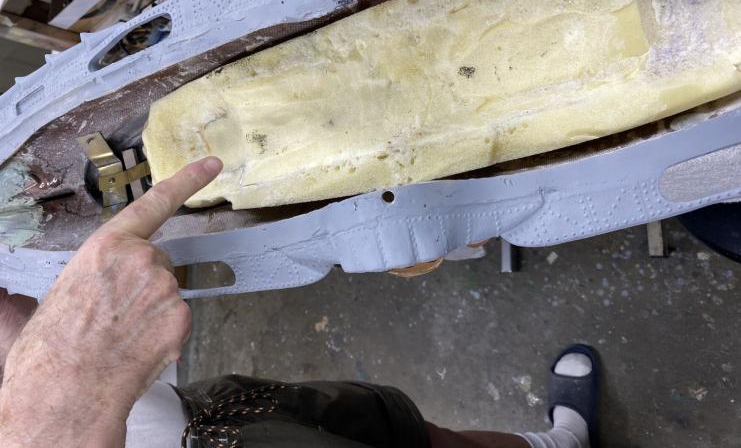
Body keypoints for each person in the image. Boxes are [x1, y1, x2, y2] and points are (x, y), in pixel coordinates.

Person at [0, 157, 599, 447]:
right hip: (93, 407)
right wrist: (63, 390)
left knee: (405, 433)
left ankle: (560, 446)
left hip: (191, 414)